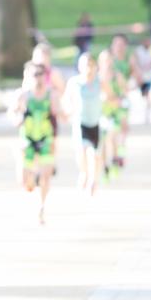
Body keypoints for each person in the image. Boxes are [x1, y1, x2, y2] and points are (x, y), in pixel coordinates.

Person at [8, 61, 59, 224]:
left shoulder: (52, 94)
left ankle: (41, 207)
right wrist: (18, 119)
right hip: (27, 140)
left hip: (45, 138)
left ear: (45, 76)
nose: (38, 78)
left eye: (41, 74)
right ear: (29, 77)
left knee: (46, 176)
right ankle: (31, 177)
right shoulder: (23, 95)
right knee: (26, 184)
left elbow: (58, 115)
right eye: (35, 74)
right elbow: (12, 114)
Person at [62, 52, 101, 196]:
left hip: (95, 122)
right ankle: (84, 172)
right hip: (80, 122)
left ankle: (93, 179)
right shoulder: (74, 82)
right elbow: (66, 99)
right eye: (85, 65)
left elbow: (109, 95)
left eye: (91, 65)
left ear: (96, 67)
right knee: (82, 151)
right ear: (79, 67)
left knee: (94, 153)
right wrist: (67, 111)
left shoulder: (100, 81)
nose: (88, 68)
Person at [31, 43, 66, 173]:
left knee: (51, 140)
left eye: (44, 57)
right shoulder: (30, 72)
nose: (41, 60)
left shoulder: (53, 73)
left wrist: (55, 99)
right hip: (33, 113)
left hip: (49, 112)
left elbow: (62, 89)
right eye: (39, 57)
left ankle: (51, 163)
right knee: (32, 141)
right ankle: (35, 167)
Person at [98, 49, 127, 182]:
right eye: (104, 60)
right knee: (102, 141)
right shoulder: (97, 78)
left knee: (112, 137)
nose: (107, 63)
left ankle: (115, 159)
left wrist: (118, 100)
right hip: (102, 113)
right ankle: (105, 167)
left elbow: (124, 92)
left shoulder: (117, 76)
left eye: (109, 59)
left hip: (115, 112)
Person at [109, 34, 136, 168]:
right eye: (116, 44)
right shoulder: (109, 60)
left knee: (124, 127)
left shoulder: (128, 59)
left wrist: (131, 84)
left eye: (121, 44)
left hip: (123, 97)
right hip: (111, 99)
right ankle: (115, 156)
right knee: (113, 128)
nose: (118, 47)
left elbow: (135, 74)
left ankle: (121, 152)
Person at [134, 36, 151, 124]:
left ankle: (147, 114)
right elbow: (136, 61)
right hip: (141, 76)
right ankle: (145, 114)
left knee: (146, 95)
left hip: (149, 76)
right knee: (144, 96)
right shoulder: (139, 51)